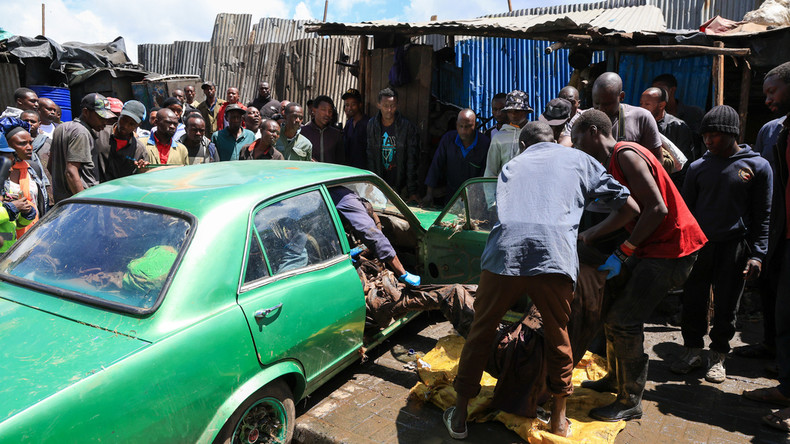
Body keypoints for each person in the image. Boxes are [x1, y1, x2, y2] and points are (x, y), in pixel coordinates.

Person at [446, 128, 640, 439]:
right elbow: (631, 208)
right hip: (555, 255)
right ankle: (559, 421)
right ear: (554, 139)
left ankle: (458, 417)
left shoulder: (512, 164)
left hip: (505, 253)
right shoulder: (580, 159)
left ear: (523, 145)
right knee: (557, 334)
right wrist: (591, 234)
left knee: (480, 331)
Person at [572, 109, 707, 422]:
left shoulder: (626, 155)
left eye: (578, 141)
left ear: (593, 132)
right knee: (612, 310)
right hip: (652, 248)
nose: (577, 148)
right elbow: (628, 211)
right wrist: (592, 234)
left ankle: (630, 400)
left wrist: (624, 251)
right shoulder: (613, 161)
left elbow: (657, 209)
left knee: (623, 320)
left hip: (673, 249)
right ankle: (615, 379)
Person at [670, 105, 772, 383]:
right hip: (700, 247)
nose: (708, 140)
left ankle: (718, 356)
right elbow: (686, 212)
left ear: (731, 134)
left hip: (735, 248)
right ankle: (692, 351)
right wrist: (682, 248)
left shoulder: (757, 167)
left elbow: (763, 215)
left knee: (727, 305)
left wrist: (758, 254)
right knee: (693, 300)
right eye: (705, 135)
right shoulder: (697, 168)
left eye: (714, 135)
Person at [742, 61, 790, 433]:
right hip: (783, 233)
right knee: (782, 310)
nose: (768, 99)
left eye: (773, 91)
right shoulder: (780, 131)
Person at [329, 186, 420, 286]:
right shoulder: (349, 201)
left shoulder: (339, 193)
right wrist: (403, 273)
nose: (350, 229)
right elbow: (374, 236)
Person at [49, 93, 113, 202]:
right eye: (101, 117)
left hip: (62, 201)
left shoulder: (61, 128)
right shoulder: (82, 133)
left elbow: (51, 165)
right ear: (86, 112)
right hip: (81, 201)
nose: (105, 122)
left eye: (106, 118)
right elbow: (71, 172)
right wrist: (83, 202)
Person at [592, 72, 664, 164]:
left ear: (621, 97)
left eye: (607, 104)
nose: (601, 109)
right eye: (596, 103)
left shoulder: (642, 117)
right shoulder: (585, 119)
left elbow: (657, 161)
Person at [423, 109, 489, 206]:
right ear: (456, 125)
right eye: (460, 126)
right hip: (451, 197)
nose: (463, 131)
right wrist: (429, 194)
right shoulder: (448, 139)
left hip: (474, 200)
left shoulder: (485, 144)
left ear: (476, 125)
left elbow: (485, 176)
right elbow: (436, 166)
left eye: (467, 127)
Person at [367, 88, 420, 202]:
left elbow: (411, 160)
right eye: (385, 106)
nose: (389, 110)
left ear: (397, 105)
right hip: (379, 184)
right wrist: (373, 184)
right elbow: (370, 157)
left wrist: (412, 190)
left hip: (400, 185)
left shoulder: (406, 126)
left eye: (393, 106)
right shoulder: (372, 125)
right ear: (378, 105)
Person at [640, 86, 695, 186]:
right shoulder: (639, 125)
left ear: (662, 105)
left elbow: (684, 163)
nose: (642, 108)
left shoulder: (677, 126)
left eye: (647, 104)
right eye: (641, 104)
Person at [3, 122, 46, 227]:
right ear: (7, 145)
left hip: (33, 229)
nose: (29, 147)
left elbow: (41, 203)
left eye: (30, 143)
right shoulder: (3, 172)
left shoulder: (33, 168)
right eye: (22, 143)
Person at [0, 134, 36, 253]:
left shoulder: (4, 189)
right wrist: (11, 208)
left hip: (7, 253)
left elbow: (15, 226)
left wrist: (26, 214)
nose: (11, 169)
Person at [95, 100, 148, 181]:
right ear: (119, 115)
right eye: (124, 120)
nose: (125, 126)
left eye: (131, 124)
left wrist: (142, 170)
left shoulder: (139, 150)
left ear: (138, 125)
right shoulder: (98, 133)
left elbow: (142, 178)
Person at [484, 90, 532, 177]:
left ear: (525, 111)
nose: (513, 115)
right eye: (510, 111)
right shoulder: (499, 137)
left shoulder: (534, 133)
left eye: (517, 111)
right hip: (505, 185)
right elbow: (490, 171)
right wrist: (491, 187)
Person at [301, 95, 343, 164]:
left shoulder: (336, 135)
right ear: (314, 110)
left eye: (330, 111)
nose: (327, 114)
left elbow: (341, 161)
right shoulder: (303, 132)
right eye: (323, 110)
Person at [342, 88, 368, 169]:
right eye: (347, 105)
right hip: (350, 169)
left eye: (353, 104)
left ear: (360, 105)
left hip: (364, 170)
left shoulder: (368, 123)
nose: (349, 108)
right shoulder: (349, 124)